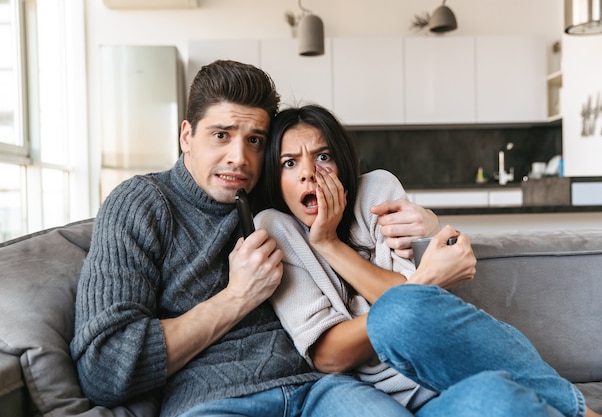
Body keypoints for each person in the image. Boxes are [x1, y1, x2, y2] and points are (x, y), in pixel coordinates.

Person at [70, 60, 442, 417]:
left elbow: (362, 217)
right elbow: (105, 367)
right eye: (221, 135)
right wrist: (237, 297)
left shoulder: (276, 192)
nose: (240, 158)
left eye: (255, 141)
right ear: (187, 135)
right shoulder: (142, 204)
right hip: (214, 400)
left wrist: (427, 223)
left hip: (323, 388)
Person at [255, 104, 601, 417]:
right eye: (290, 163)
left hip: (448, 374)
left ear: (343, 163)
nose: (308, 173)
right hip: (375, 396)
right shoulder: (276, 227)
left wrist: (330, 244)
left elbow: (411, 314)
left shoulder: (376, 192)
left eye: (323, 156)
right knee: (406, 321)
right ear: (276, 177)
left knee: (412, 323)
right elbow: (330, 355)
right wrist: (420, 284)